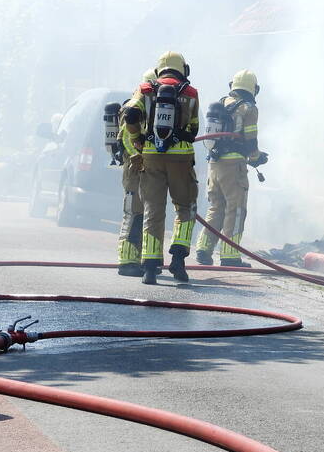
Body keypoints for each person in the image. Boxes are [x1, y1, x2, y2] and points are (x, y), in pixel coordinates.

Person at [122, 51, 200, 285]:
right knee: (186, 207)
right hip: (182, 158)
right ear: (183, 69)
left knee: (153, 210)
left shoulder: (145, 89)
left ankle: (150, 266)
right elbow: (194, 128)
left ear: (159, 70)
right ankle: (178, 257)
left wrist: (137, 138)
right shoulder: (191, 92)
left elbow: (131, 113)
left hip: (151, 157)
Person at [194, 69, 268, 267]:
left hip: (215, 164)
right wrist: (258, 158)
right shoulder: (249, 109)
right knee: (235, 210)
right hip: (234, 167)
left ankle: (203, 249)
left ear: (232, 86)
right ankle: (230, 255)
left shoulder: (222, 103)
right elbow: (251, 141)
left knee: (216, 207)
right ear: (254, 89)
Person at [115, 68, 156, 277]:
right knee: (134, 213)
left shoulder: (150, 108)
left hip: (147, 170)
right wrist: (139, 157)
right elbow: (126, 139)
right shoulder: (134, 107)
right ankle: (127, 260)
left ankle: (140, 257)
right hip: (135, 170)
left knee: (146, 215)